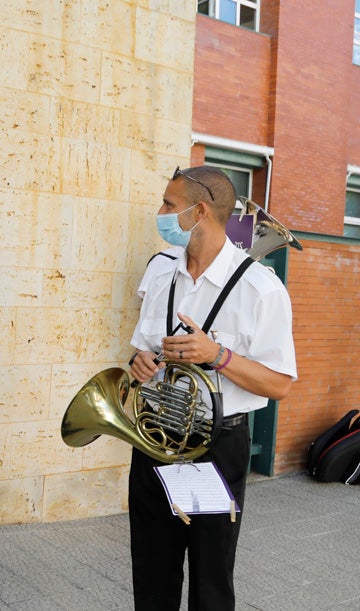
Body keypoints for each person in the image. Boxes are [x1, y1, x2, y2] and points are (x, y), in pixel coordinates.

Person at [128, 166, 297, 610]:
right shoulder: (162, 270)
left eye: (168, 204)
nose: (160, 212)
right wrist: (139, 363)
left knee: (211, 577)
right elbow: (140, 350)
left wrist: (216, 355)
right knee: (151, 568)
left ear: (198, 211)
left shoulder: (263, 288)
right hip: (155, 438)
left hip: (216, 445)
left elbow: (280, 384)